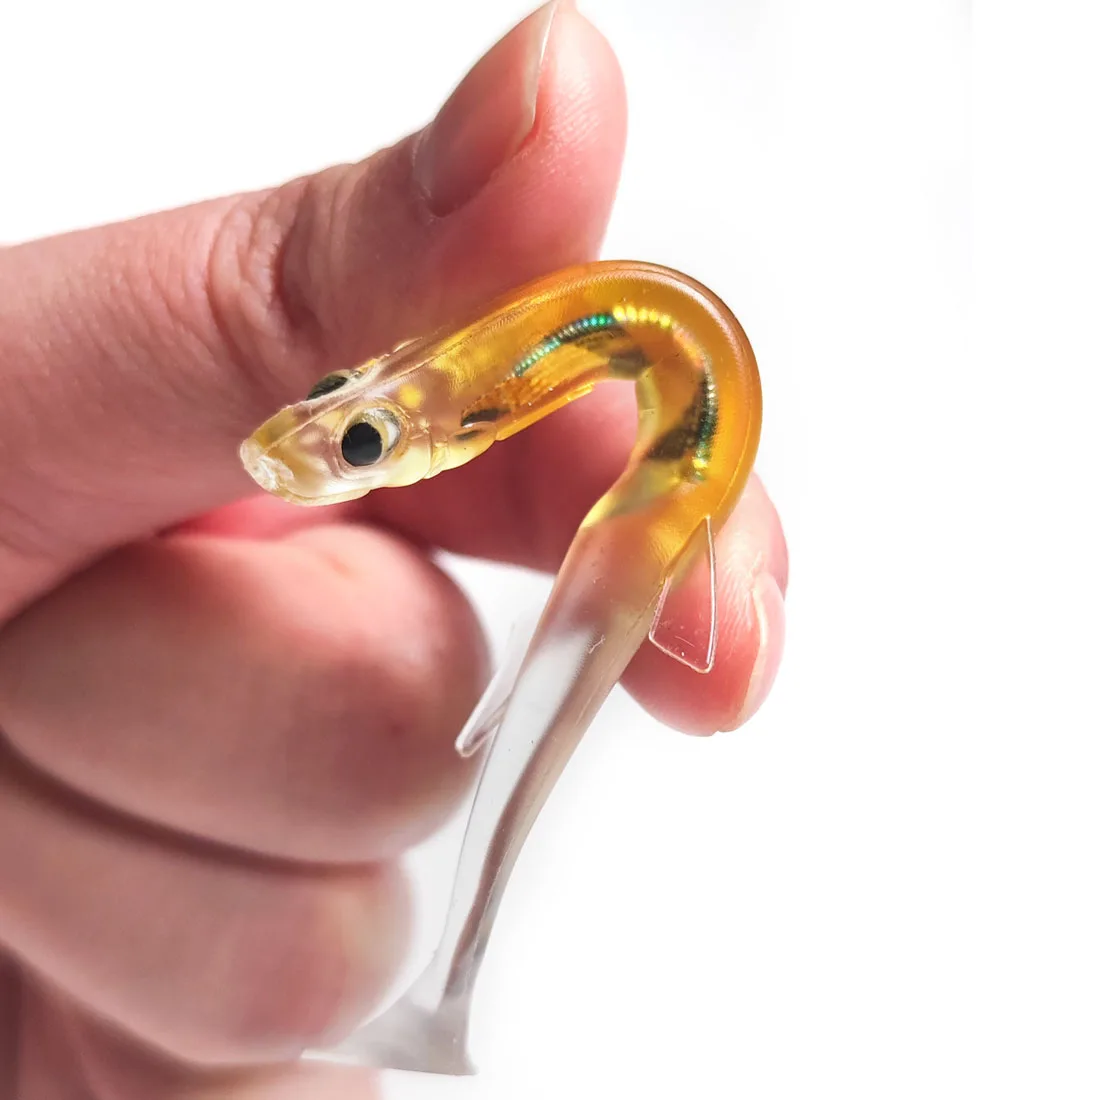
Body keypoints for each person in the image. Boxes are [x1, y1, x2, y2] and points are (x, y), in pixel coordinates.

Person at [0, 3, 787, 1095]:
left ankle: (441, 995)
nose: (318, 442)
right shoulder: (457, 377)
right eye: (340, 406)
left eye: (362, 442)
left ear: (470, 419)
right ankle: (440, 999)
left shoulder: (483, 401)